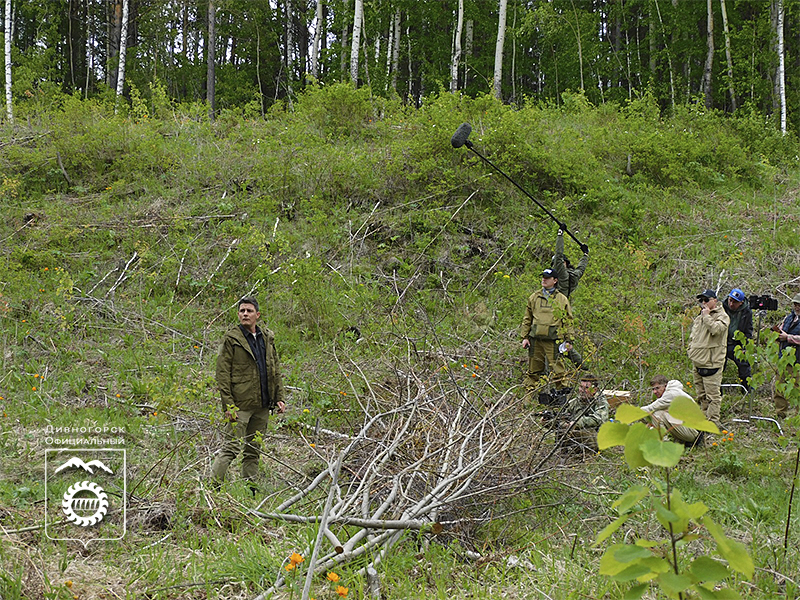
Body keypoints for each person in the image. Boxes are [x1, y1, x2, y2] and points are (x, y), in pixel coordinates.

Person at [211, 297, 286, 488]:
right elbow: (222, 373)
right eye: (242, 311)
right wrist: (228, 405)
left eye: (249, 311)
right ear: (238, 314)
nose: (245, 314)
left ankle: (250, 490)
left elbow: (274, 369)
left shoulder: (267, 338)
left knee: (253, 450)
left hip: (262, 404)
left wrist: (279, 397)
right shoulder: (231, 339)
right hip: (240, 405)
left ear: (257, 315)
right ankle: (211, 489)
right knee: (230, 448)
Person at [519, 268, 573, 395]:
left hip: (554, 341)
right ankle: (529, 395)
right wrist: (525, 337)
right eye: (543, 277)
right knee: (533, 370)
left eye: (547, 278)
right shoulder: (534, 297)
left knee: (558, 370)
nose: (544, 279)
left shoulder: (562, 299)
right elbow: (527, 318)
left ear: (555, 280)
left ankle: (562, 397)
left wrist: (569, 340)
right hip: (535, 340)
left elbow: (568, 321)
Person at [687, 288, 729, 429]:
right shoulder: (700, 317)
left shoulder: (722, 316)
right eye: (701, 300)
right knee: (701, 395)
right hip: (697, 360)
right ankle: (703, 420)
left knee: (713, 397)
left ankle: (713, 423)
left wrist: (706, 316)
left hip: (711, 363)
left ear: (715, 301)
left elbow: (716, 330)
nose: (703, 303)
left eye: (706, 300)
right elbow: (695, 336)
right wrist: (690, 349)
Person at [642, 375, 700, 446]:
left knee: (656, 414)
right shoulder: (673, 392)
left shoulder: (670, 394)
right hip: (692, 430)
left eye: (657, 388)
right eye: (653, 389)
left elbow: (650, 408)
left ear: (665, 386)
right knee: (658, 415)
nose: (654, 391)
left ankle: (664, 444)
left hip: (693, 433)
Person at [558, 374, 609, 453]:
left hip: (597, 437)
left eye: (586, 388)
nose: (582, 390)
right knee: (562, 427)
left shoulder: (600, 402)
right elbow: (563, 416)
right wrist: (549, 421)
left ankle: (585, 454)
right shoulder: (575, 402)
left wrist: (577, 422)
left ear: (594, 390)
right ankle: (566, 453)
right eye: (581, 387)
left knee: (581, 432)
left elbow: (598, 419)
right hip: (579, 437)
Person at [774, 292, 800, 419]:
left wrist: (788, 338)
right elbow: (782, 330)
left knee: (797, 389)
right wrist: (777, 335)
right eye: (795, 304)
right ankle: (780, 414)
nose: (797, 307)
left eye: (799, 304)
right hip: (783, 358)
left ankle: (797, 417)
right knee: (779, 387)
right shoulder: (789, 318)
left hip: (798, 361)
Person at [722, 288, 753, 391]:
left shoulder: (746, 312)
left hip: (736, 344)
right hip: (721, 342)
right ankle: (716, 389)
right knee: (718, 364)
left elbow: (748, 331)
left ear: (741, 303)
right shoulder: (722, 307)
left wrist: (745, 347)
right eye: (730, 300)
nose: (731, 304)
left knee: (744, 363)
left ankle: (746, 388)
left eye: (735, 302)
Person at [551, 229, 589, 298]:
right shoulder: (574, 274)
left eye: (555, 263)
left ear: (564, 262)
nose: (554, 266)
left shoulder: (561, 273)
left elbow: (558, 254)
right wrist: (585, 254)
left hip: (556, 302)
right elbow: (581, 268)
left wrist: (560, 234)